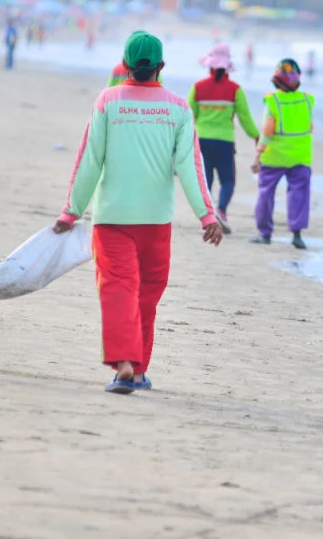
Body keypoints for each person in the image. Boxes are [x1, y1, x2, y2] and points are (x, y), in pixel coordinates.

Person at [53, 30, 222, 394]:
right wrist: (207, 215)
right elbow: (190, 166)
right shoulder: (178, 107)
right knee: (146, 294)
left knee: (118, 290)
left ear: (125, 65)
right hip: (156, 222)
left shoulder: (108, 101)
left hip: (112, 218)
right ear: (162, 66)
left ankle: (125, 365)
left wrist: (71, 210)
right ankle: (139, 369)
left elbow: (89, 161)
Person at [188, 43, 259, 233]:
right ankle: (221, 210)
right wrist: (257, 136)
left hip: (202, 140)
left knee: (207, 180)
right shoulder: (235, 90)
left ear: (209, 65)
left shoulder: (198, 88)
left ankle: (210, 214)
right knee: (228, 180)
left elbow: (188, 117)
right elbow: (245, 119)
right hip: (225, 142)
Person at [250, 59, 314, 250]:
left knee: (266, 193)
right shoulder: (308, 100)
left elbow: (267, 132)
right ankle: (297, 234)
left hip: (274, 157)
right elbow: (310, 127)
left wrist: (257, 156)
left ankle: (265, 234)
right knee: (299, 194)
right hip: (301, 157)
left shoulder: (272, 101)